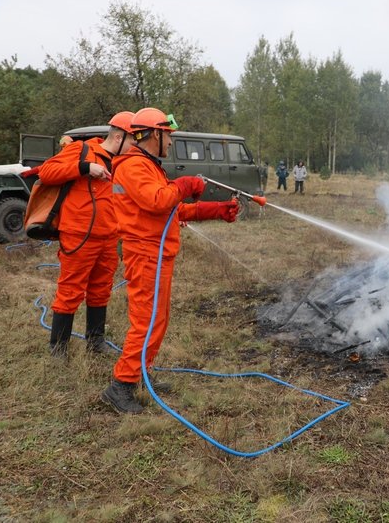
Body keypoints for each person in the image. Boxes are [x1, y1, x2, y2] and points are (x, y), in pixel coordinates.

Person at [101, 107, 239, 414]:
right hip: (145, 254)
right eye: (169, 135)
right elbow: (158, 200)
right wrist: (185, 185)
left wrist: (217, 210)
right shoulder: (134, 167)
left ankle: (141, 372)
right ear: (155, 134)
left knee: (157, 320)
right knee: (146, 322)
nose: (172, 142)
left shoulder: (149, 167)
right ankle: (120, 386)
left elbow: (173, 210)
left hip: (157, 254)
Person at [38, 111, 136, 358]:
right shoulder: (82, 150)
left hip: (109, 237)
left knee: (101, 289)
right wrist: (85, 168)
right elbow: (46, 172)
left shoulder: (124, 163)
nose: (135, 146)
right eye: (133, 140)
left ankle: (95, 342)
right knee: (70, 290)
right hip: (79, 235)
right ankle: (59, 348)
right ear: (118, 137)